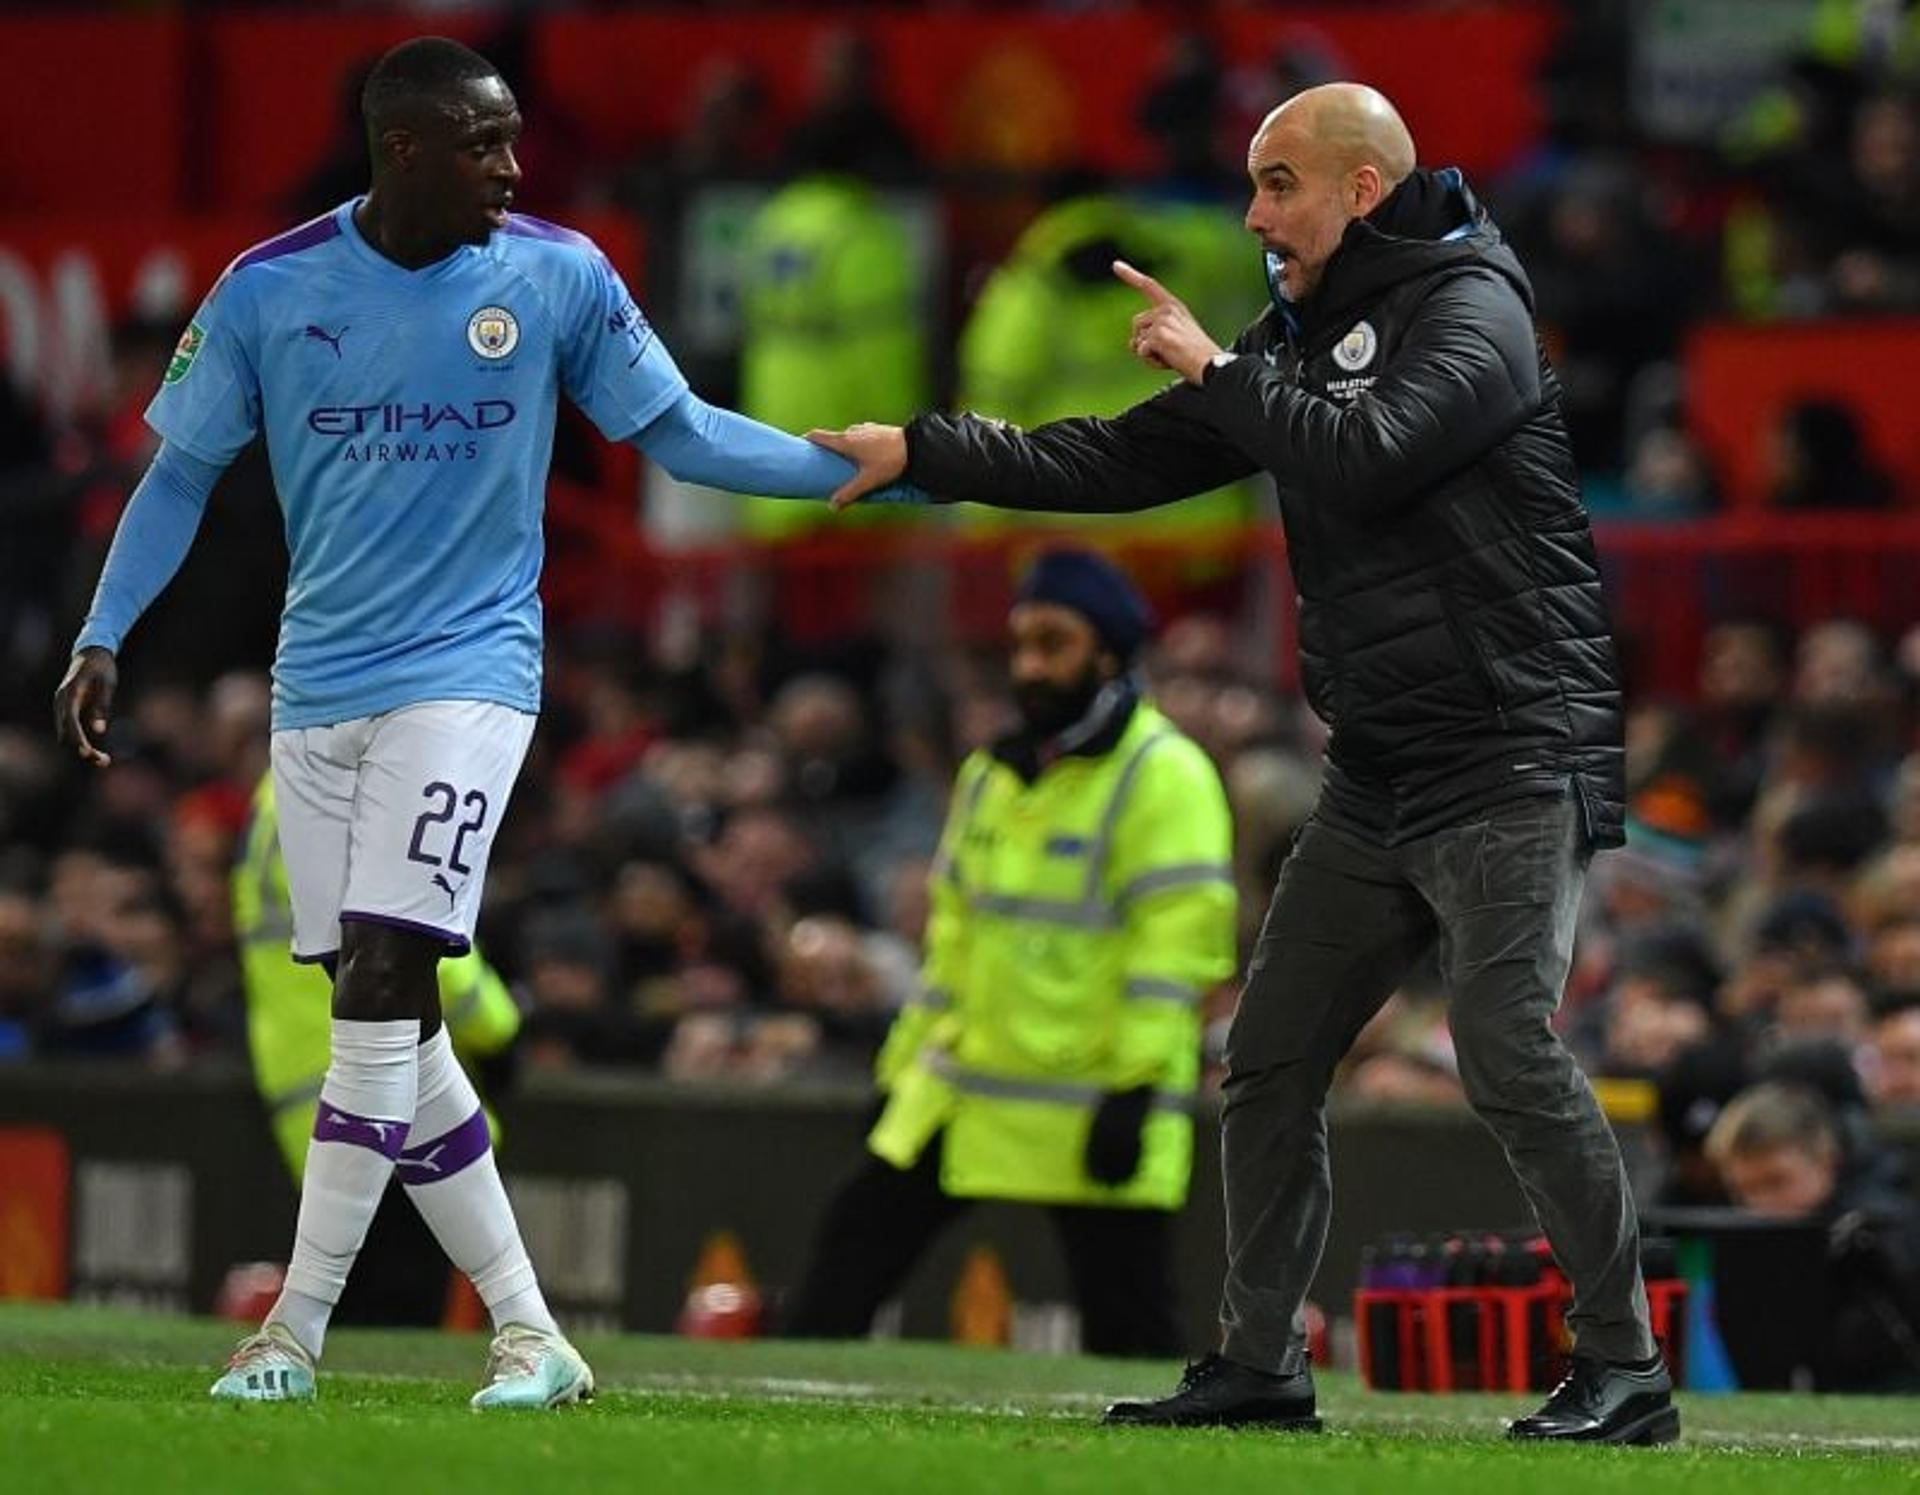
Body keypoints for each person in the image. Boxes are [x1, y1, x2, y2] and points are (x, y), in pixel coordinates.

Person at [53, 36, 917, 1409]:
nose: (515, 171)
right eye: (486, 146)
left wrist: (872, 469)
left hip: (470, 677)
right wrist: (105, 630)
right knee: (393, 1021)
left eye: (515, 141)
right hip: (315, 689)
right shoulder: (271, 288)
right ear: (405, 149)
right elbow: (180, 476)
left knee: (388, 978)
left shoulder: (557, 271)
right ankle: (532, 1330)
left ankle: (292, 1328)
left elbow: (681, 432)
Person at [812, 82, 1671, 1442]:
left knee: (1505, 1048)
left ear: (1364, 190)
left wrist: (1222, 370)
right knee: (1268, 1057)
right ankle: (1261, 1361)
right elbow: (1116, 458)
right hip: (1384, 765)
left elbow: (1374, 452)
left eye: (1281, 183)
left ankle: (1624, 1366)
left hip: (1512, 749)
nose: (1257, 211)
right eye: (1257, 184)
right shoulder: (1296, 339)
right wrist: (925, 449)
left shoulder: (1475, 307)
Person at [785, 549, 1236, 1356]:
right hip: (965, 1089)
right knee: (840, 1266)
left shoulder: (1164, 775)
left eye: (1053, 642)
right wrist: (901, 1071)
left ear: (1108, 653)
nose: (1029, 664)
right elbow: (953, 942)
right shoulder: (991, 775)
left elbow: (1178, 952)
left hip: (1090, 1099)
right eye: (1020, 642)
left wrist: (1133, 1090)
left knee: (1132, 1335)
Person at [234, 769, 520, 1327]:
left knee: (350, 1300)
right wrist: (501, 1029)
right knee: (398, 1306)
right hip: (389, 1074)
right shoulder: (356, 788)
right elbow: (412, 944)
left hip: (306, 1078)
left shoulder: (280, 793)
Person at [1706, 1080, 1920, 1390]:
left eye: (1776, 1182)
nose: (1759, 1205)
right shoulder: (1752, 1237)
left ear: (1825, 1158)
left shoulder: (1882, 1231)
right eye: (1742, 1190)